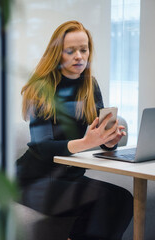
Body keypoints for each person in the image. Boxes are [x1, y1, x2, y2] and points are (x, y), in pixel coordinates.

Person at [16, 20, 133, 240]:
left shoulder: (90, 85)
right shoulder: (41, 89)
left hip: (70, 176)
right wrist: (87, 142)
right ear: (57, 54)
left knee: (124, 198)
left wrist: (109, 139)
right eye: (70, 51)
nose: (79, 56)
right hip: (32, 180)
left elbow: (101, 133)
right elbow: (42, 147)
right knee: (101, 201)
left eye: (83, 49)